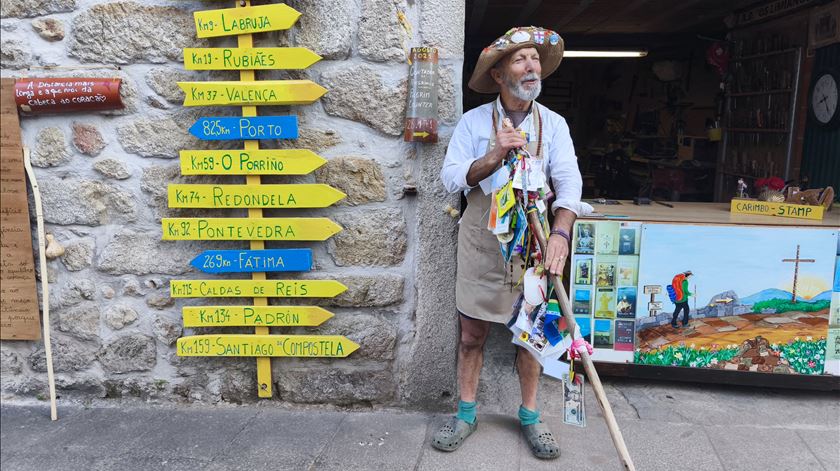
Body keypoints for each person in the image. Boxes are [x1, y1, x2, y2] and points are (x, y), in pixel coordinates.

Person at [435, 26, 583, 460]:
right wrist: (494, 155)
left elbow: (569, 183)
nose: (531, 66)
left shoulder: (553, 124)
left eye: (534, 59)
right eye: (520, 60)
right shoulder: (473, 122)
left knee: (531, 337)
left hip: (535, 246)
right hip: (482, 244)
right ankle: (466, 414)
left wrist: (561, 233)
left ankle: (531, 416)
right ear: (498, 75)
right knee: (471, 335)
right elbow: (451, 179)